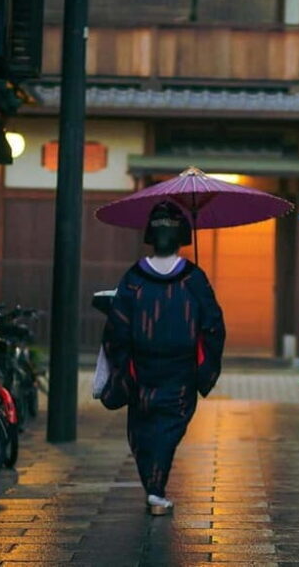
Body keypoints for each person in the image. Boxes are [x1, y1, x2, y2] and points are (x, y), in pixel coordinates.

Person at [101, 201, 225, 515]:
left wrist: (120, 365)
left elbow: (117, 328)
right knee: (169, 429)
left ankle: (154, 486)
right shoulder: (193, 278)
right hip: (181, 370)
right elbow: (213, 325)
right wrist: (205, 367)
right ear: (183, 235)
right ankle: (156, 489)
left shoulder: (134, 278)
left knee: (143, 430)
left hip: (142, 370)